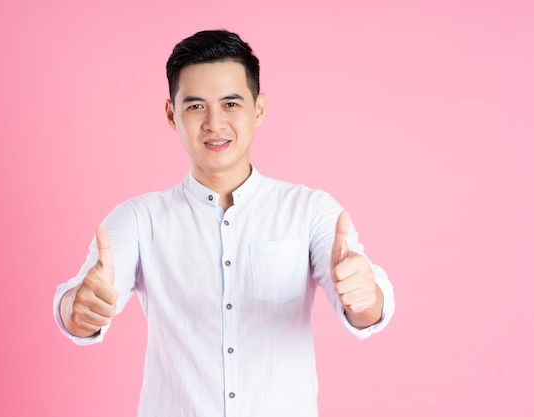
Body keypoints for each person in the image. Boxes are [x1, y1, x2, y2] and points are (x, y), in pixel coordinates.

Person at [53, 29, 395, 417]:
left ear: (259, 109)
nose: (215, 123)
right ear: (172, 114)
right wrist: (77, 309)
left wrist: (365, 298)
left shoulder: (310, 210)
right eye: (196, 106)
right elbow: (79, 307)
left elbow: (366, 309)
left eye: (231, 103)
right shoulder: (138, 219)